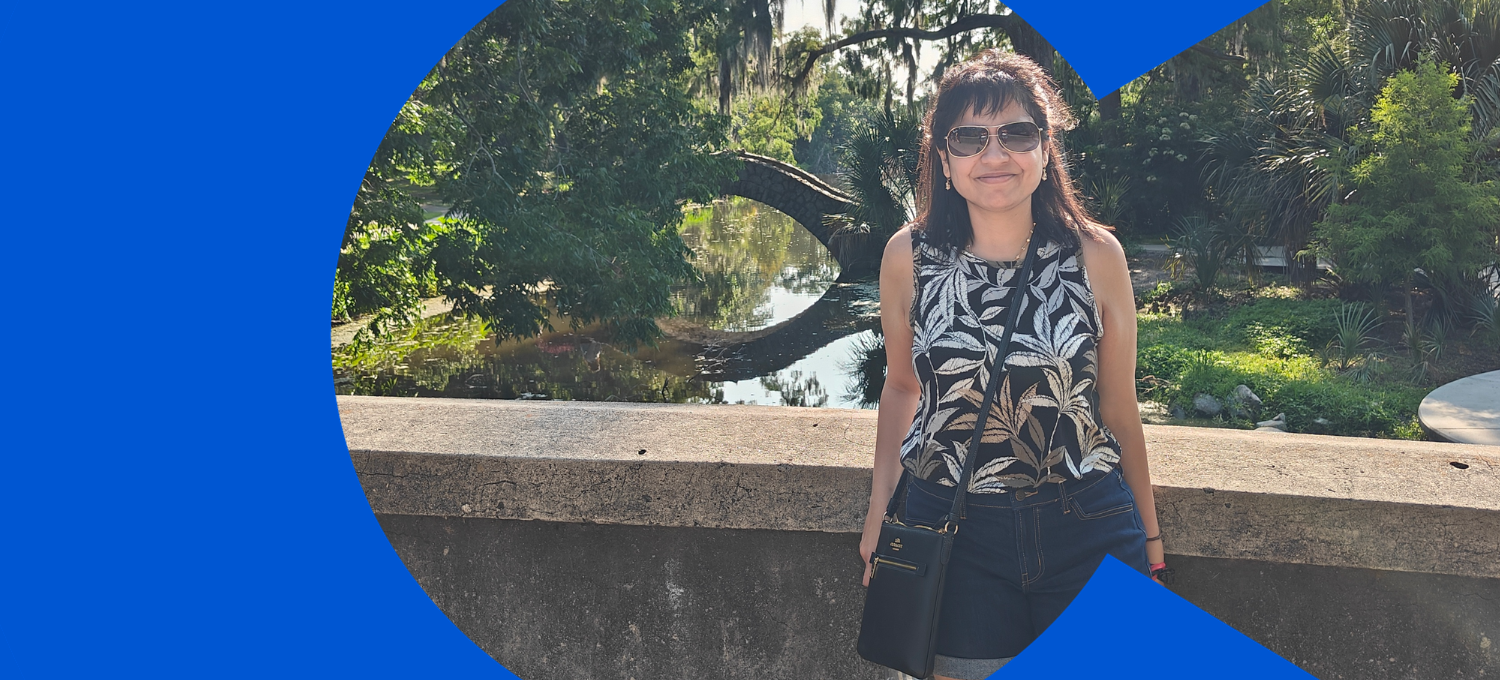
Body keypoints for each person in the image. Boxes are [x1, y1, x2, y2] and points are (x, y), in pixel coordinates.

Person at [859, 49, 1168, 680]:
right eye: (969, 138)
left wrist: (1152, 536)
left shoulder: (1095, 255)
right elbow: (902, 389)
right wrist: (878, 513)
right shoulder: (908, 257)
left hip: (1086, 522)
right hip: (952, 529)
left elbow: (1118, 409)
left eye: (1017, 133)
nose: (994, 154)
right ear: (944, 159)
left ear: (1046, 149)